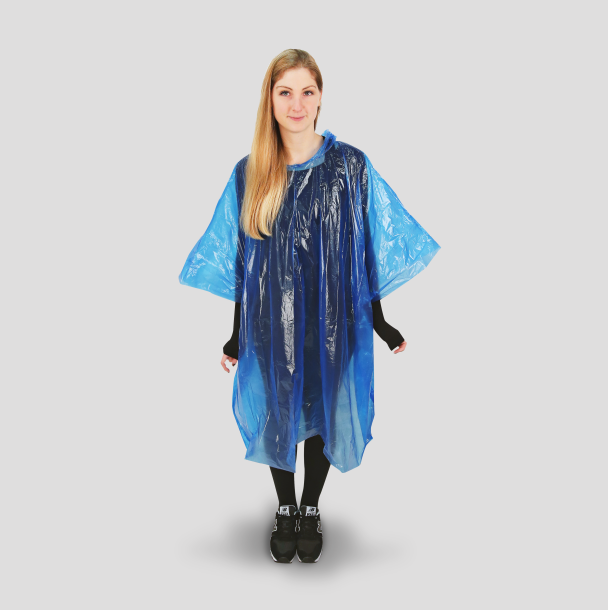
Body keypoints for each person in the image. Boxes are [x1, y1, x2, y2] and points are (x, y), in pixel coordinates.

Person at [178, 49, 441, 564]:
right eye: (285, 92)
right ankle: (285, 508)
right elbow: (243, 264)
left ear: (320, 99)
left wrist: (380, 322)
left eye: (307, 92)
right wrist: (235, 334)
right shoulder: (250, 172)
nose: (296, 104)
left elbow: (366, 249)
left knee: (322, 412)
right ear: (270, 99)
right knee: (279, 412)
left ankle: (311, 506)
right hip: (267, 323)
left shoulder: (350, 166)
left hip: (334, 318)